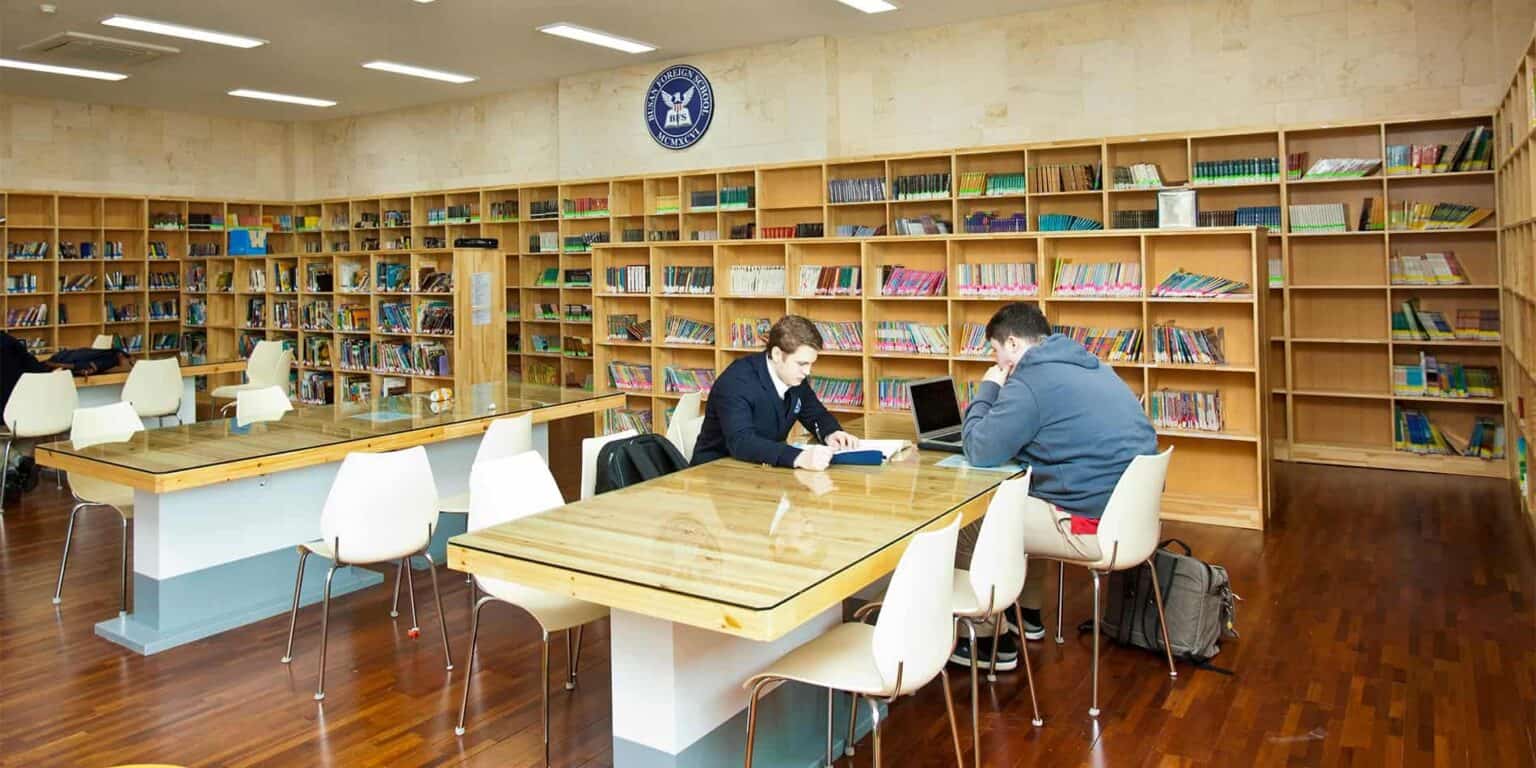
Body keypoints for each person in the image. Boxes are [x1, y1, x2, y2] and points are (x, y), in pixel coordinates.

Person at [952, 302, 1157, 671]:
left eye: (996, 353)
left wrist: (988, 387)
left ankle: (986, 641)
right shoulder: (1092, 365)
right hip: (1130, 518)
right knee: (1031, 496)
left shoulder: (1032, 380)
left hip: (1091, 526)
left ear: (1012, 344)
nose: (999, 364)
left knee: (975, 520)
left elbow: (980, 449)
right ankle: (1026, 617)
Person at [690, 315, 859, 471]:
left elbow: (815, 413)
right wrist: (798, 457)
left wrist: (832, 433)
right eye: (802, 364)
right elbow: (741, 441)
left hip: (760, 470)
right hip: (716, 472)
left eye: (810, 364)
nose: (807, 371)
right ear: (777, 354)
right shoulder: (736, 382)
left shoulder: (793, 376)